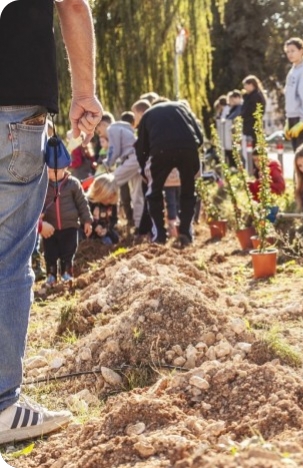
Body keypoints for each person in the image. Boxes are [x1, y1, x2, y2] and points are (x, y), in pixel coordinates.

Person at [0, 0, 102, 444]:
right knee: (7, 259)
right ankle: (3, 404)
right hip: (14, 108)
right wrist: (84, 92)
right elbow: (73, 5)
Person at [133, 99, 204, 245]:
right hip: (187, 147)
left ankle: (159, 235)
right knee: (188, 191)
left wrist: (144, 171)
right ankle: (185, 234)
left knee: (154, 193)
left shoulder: (148, 114)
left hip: (160, 150)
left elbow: (141, 147)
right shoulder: (183, 108)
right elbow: (200, 136)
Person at [41, 141, 93, 285]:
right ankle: (51, 275)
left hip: (69, 226)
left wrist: (87, 220)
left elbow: (82, 203)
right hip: (50, 227)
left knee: (68, 251)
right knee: (50, 253)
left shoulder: (73, 184)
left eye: (55, 171)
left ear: (65, 167)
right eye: (49, 170)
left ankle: (67, 273)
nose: (52, 174)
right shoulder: (44, 186)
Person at [86, 173, 120, 245]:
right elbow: (84, 218)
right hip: (89, 229)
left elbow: (114, 219)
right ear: (98, 193)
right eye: (106, 197)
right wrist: (95, 226)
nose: (109, 200)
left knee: (115, 238)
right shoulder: (90, 202)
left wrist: (106, 229)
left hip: (104, 230)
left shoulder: (112, 203)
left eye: (111, 197)